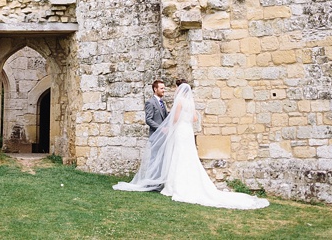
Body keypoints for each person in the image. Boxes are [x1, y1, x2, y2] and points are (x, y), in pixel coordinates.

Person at [114, 82, 269, 209]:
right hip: (187, 132)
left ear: (180, 91)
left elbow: (174, 119)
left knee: (179, 157)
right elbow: (194, 119)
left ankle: (175, 186)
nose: (170, 91)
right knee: (188, 157)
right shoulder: (190, 103)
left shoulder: (180, 101)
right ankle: (173, 183)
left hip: (181, 131)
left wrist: (173, 125)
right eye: (163, 88)